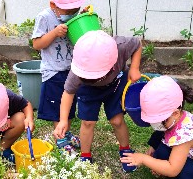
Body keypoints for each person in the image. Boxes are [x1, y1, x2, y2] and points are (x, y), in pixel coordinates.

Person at [53, 30, 142, 173]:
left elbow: (137, 44)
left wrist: (134, 68)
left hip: (116, 84)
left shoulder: (121, 46)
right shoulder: (77, 73)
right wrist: (63, 120)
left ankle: (125, 150)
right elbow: (68, 93)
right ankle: (85, 155)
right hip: (87, 91)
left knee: (117, 120)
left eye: (94, 76)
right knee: (88, 122)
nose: (91, 78)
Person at [120, 76, 193, 178]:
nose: (155, 124)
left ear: (176, 113)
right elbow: (160, 134)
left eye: (160, 120)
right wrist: (153, 150)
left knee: (181, 170)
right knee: (160, 149)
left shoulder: (185, 136)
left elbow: (172, 170)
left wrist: (144, 159)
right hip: (186, 155)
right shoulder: (174, 120)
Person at [32, 0, 86, 154]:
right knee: (57, 108)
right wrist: (54, 33)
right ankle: (60, 138)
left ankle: (66, 132)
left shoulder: (73, 16)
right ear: (53, 5)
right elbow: (36, 44)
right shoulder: (44, 17)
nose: (71, 14)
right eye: (67, 11)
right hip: (54, 71)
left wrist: (80, 17)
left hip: (72, 70)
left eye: (74, 10)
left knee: (68, 106)